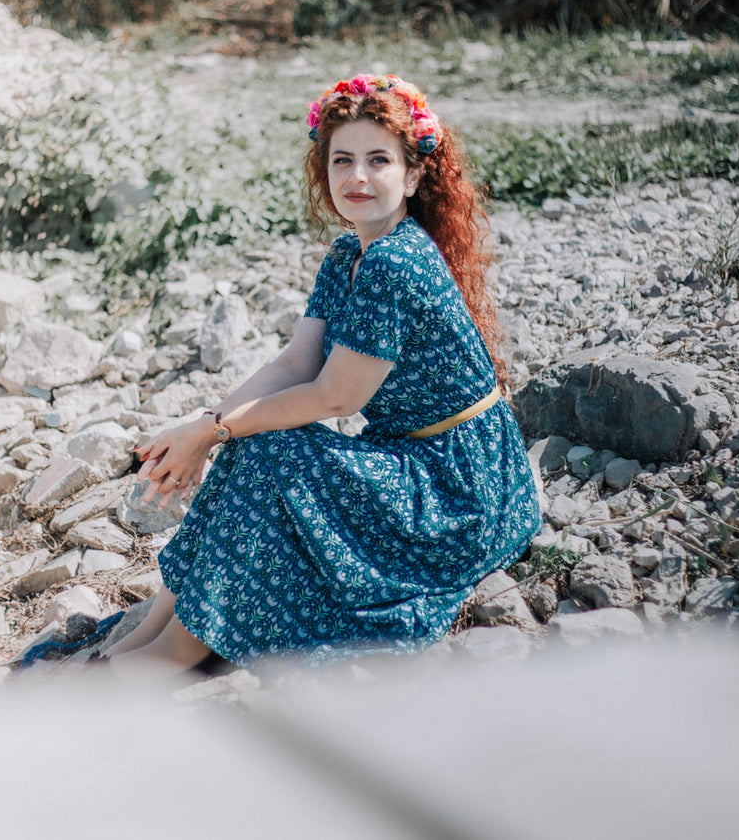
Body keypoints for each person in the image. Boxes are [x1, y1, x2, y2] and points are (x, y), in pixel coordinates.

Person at [102, 73, 539, 678]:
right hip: (411, 456)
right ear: (324, 170)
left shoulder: (396, 263)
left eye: (378, 160)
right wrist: (206, 424)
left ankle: (171, 653)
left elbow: (334, 396)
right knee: (253, 441)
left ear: (413, 175)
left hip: (458, 487)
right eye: (343, 160)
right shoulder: (350, 254)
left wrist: (214, 433)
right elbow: (296, 364)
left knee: (265, 449)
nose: (357, 177)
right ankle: (152, 636)